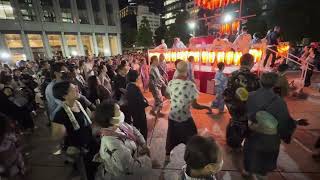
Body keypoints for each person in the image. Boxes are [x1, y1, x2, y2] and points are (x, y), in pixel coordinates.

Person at [244, 72, 299, 180]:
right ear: (275, 84)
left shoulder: (250, 96)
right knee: (263, 165)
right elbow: (284, 122)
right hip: (269, 138)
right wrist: (288, 131)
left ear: (260, 81)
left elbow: (246, 113)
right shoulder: (279, 101)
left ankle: (248, 172)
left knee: (250, 154)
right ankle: (261, 176)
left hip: (252, 134)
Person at [165, 61, 212, 162]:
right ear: (187, 71)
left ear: (177, 70)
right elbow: (195, 105)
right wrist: (206, 107)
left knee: (171, 137)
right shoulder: (191, 85)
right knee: (192, 139)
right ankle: (192, 159)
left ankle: (167, 156)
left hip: (173, 117)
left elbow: (167, 95)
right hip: (185, 118)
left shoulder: (171, 83)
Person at [93, 100, 153, 179]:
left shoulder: (118, 125)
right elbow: (131, 168)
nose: (121, 112)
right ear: (111, 119)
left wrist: (143, 143)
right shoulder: (112, 143)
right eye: (118, 110)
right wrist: (148, 161)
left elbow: (133, 130)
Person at [51, 81, 98, 180]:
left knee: (96, 166)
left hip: (91, 141)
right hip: (80, 150)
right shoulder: (60, 114)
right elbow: (56, 136)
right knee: (87, 172)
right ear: (64, 96)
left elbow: (87, 119)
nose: (77, 89)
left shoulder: (80, 102)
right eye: (73, 89)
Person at [224, 54, 260, 149]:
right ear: (251, 63)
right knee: (246, 127)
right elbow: (257, 95)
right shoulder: (254, 77)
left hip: (233, 107)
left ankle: (234, 142)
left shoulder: (232, 75)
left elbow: (227, 91)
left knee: (236, 123)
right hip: (246, 110)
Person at [0, 113, 26, 178]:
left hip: (5, 168)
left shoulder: (10, 137)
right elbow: (19, 145)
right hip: (14, 164)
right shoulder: (10, 137)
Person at [126, 70, 149, 140]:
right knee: (143, 129)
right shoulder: (135, 88)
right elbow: (141, 101)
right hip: (139, 111)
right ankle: (143, 143)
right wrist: (146, 103)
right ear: (136, 78)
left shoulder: (128, 85)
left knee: (137, 127)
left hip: (133, 110)